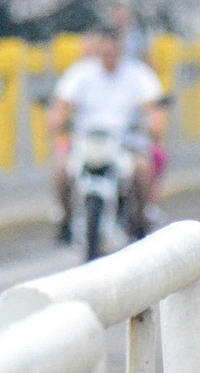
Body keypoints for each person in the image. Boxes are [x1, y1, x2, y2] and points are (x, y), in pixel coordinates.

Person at [50, 21, 168, 243]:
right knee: (62, 168)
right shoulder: (81, 74)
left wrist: (154, 124)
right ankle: (65, 220)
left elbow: (153, 106)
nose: (109, 56)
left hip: (125, 142)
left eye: (113, 51)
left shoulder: (138, 74)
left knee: (141, 169)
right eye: (104, 51)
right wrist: (58, 120)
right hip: (88, 141)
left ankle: (140, 220)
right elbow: (63, 103)